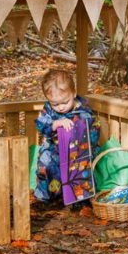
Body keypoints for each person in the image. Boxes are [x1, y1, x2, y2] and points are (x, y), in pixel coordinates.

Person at [34, 70, 101, 204]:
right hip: (54, 149)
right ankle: (46, 197)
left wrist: (81, 126)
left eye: (65, 102)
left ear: (74, 93)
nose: (61, 107)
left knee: (81, 171)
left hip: (78, 150)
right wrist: (55, 124)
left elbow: (94, 128)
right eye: (55, 104)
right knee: (46, 165)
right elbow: (41, 124)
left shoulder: (83, 108)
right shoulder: (49, 109)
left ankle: (82, 200)